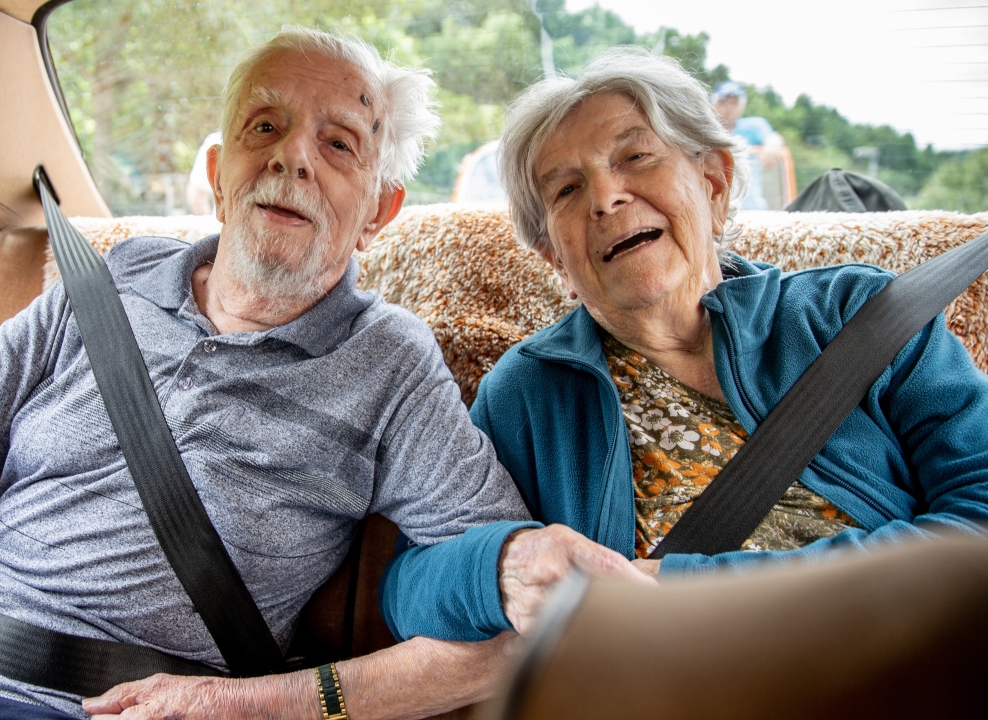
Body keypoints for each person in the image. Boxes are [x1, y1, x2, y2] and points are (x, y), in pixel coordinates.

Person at [0, 28, 648, 720]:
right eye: (263, 128)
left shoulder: (389, 362)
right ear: (218, 176)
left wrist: (254, 707)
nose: (292, 159)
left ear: (379, 211)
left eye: (339, 143)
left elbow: (510, 625)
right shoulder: (108, 283)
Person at [382, 47, 988, 642]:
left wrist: (677, 588)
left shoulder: (855, 314)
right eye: (566, 190)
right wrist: (503, 565)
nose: (605, 197)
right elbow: (410, 586)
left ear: (714, 183)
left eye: (636, 156)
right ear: (553, 256)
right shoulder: (531, 391)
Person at [711, 80, 783, 209]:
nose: (728, 107)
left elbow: (774, 138)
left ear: (741, 106)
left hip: (753, 208)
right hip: (716, 207)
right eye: (723, 101)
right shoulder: (707, 130)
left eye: (734, 102)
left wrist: (772, 147)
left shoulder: (754, 126)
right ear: (714, 104)